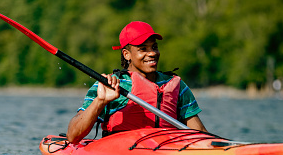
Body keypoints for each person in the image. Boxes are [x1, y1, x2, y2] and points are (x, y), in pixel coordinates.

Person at [67, 21, 207, 143]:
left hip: (167, 153)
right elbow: (73, 136)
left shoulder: (177, 86)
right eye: (143, 49)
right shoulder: (108, 85)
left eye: (154, 47)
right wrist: (100, 101)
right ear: (126, 54)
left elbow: (200, 133)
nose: (152, 53)